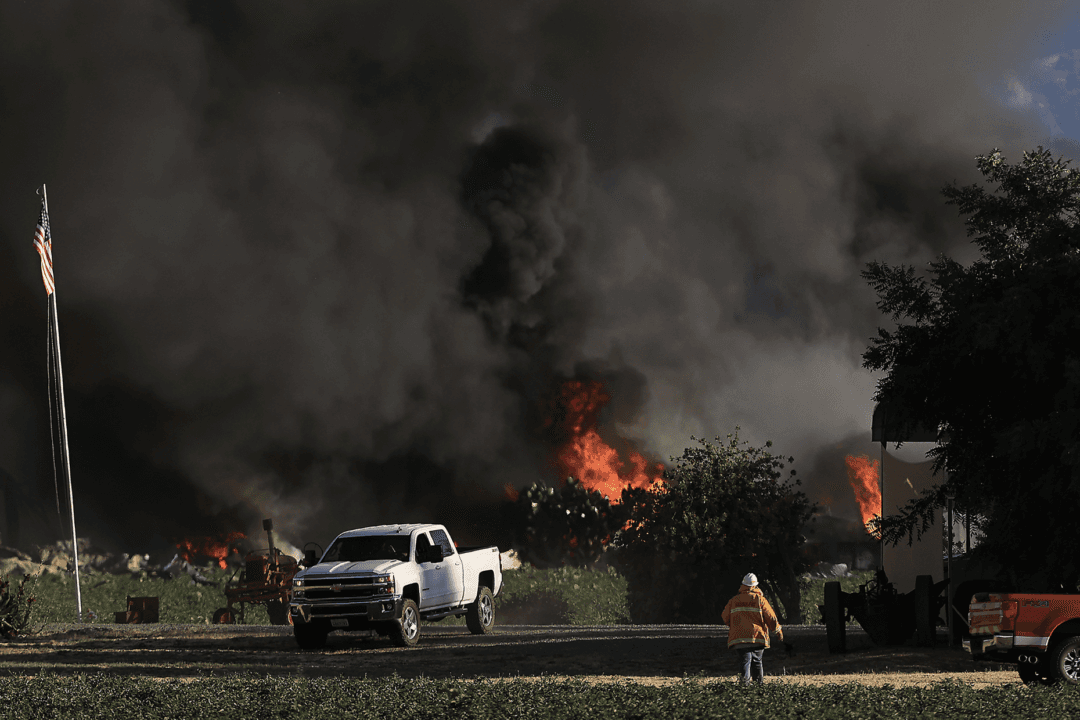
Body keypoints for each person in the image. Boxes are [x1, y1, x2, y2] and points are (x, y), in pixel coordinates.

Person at [721, 572, 784, 684]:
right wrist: (778, 631)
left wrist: (736, 625)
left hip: (739, 639)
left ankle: (744, 686)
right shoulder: (760, 600)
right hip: (757, 637)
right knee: (757, 661)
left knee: (744, 661)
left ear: (743, 585)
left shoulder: (734, 601)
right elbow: (771, 617)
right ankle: (758, 686)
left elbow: (725, 617)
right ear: (755, 586)